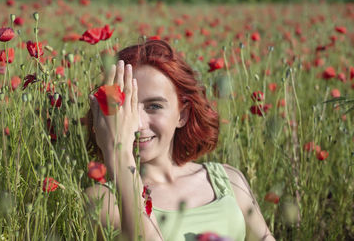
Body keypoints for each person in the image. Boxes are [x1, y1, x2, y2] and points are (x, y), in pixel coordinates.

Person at [86, 39, 275, 241]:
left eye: (154, 106)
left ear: (182, 115)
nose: (137, 124)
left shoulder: (228, 179)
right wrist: (118, 153)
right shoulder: (103, 200)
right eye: (124, 107)